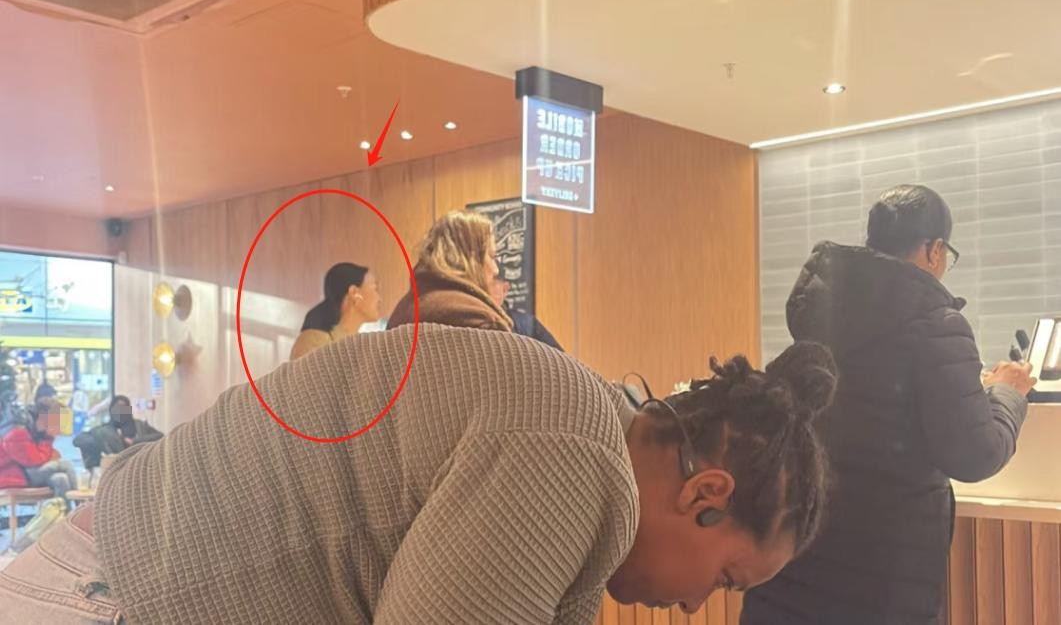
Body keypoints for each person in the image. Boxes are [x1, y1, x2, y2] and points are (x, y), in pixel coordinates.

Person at [0, 324, 836, 624]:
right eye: (724, 579)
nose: (694, 605)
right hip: (113, 596)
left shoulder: (583, 439)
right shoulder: (570, 451)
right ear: (705, 494)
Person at [741, 184, 1036, 625]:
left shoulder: (819, 312)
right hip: (880, 583)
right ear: (934, 251)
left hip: (790, 569)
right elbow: (976, 453)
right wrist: (1009, 391)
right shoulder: (936, 325)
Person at [388, 210, 512, 331]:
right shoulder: (483, 320)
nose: (495, 270)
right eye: (492, 256)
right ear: (470, 259)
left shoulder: (400, 314)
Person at [290, 262, 382, 360]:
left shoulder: (359, 347)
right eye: (375, 289)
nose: (380, 299)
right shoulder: (313, 341)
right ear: (354, 293)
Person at [0, 397, 78, 498]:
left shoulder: (38, 433)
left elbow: (50, 457)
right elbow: (34, 461)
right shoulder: (18, 432)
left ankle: (63, 508)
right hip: (12, 477)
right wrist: (48, 438)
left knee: (61, 479)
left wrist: (47, 438)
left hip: (26, 474)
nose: (59, 425)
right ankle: (80, 504)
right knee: (65, 465)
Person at [73, 395, 163, 470]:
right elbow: (78, 440)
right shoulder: (104, 431)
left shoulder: (139, 425)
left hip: (142, 469)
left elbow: (160, 437)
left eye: (123, 408)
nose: (120, 412)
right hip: (116, 473)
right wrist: (102, 442)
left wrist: (135, 441)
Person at [490, 273, 564, 351]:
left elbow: (560, 356)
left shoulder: (526, 324)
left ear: (505, 289)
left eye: (486, 284)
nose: (482, 292)